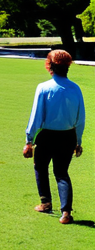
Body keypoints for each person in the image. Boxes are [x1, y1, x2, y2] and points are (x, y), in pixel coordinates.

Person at [24, 49, 85, 225]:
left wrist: (29, 140)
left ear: (49, 66)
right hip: (68, 136)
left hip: (47, 136)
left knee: (40, 167)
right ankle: (66, 212)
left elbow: (36, 117)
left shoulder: (43, 88)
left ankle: (46, 202)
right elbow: (80, 119)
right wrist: (78, 141)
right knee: (62, 173)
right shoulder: (76, 89)